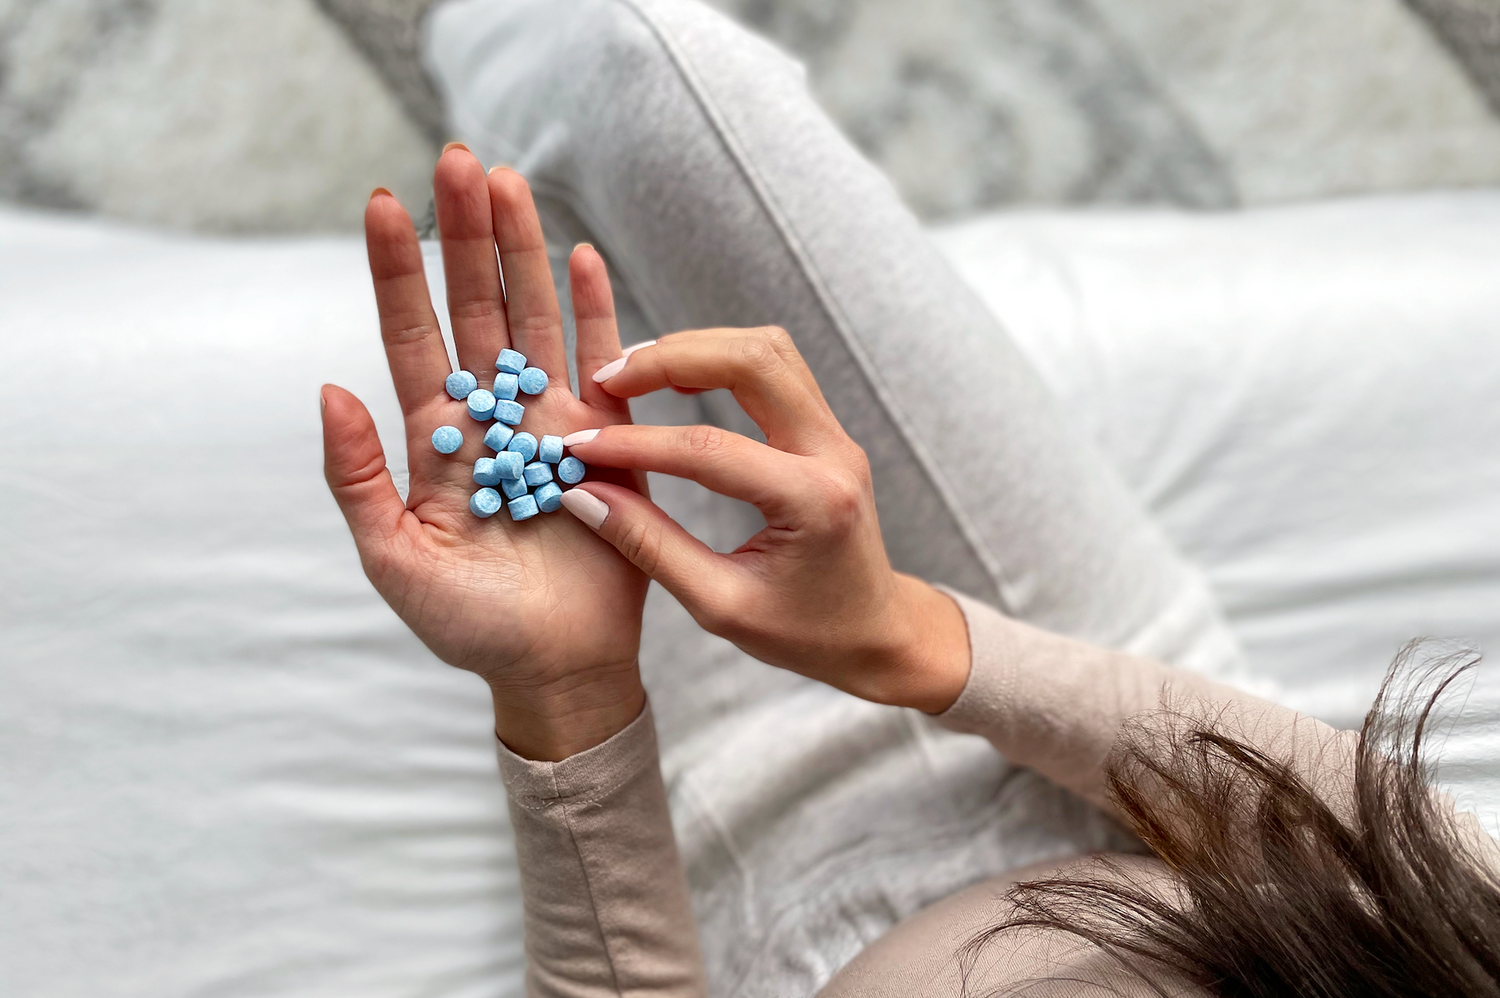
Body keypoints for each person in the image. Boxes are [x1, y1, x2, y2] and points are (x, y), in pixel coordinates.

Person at [317, 1, 1500, 994]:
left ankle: (470, 98)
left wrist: (567, 691)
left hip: (754, 858)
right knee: (639, 65)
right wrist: (899, 632)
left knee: (529, 301)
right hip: (1108, 739)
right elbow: (1426, 873)